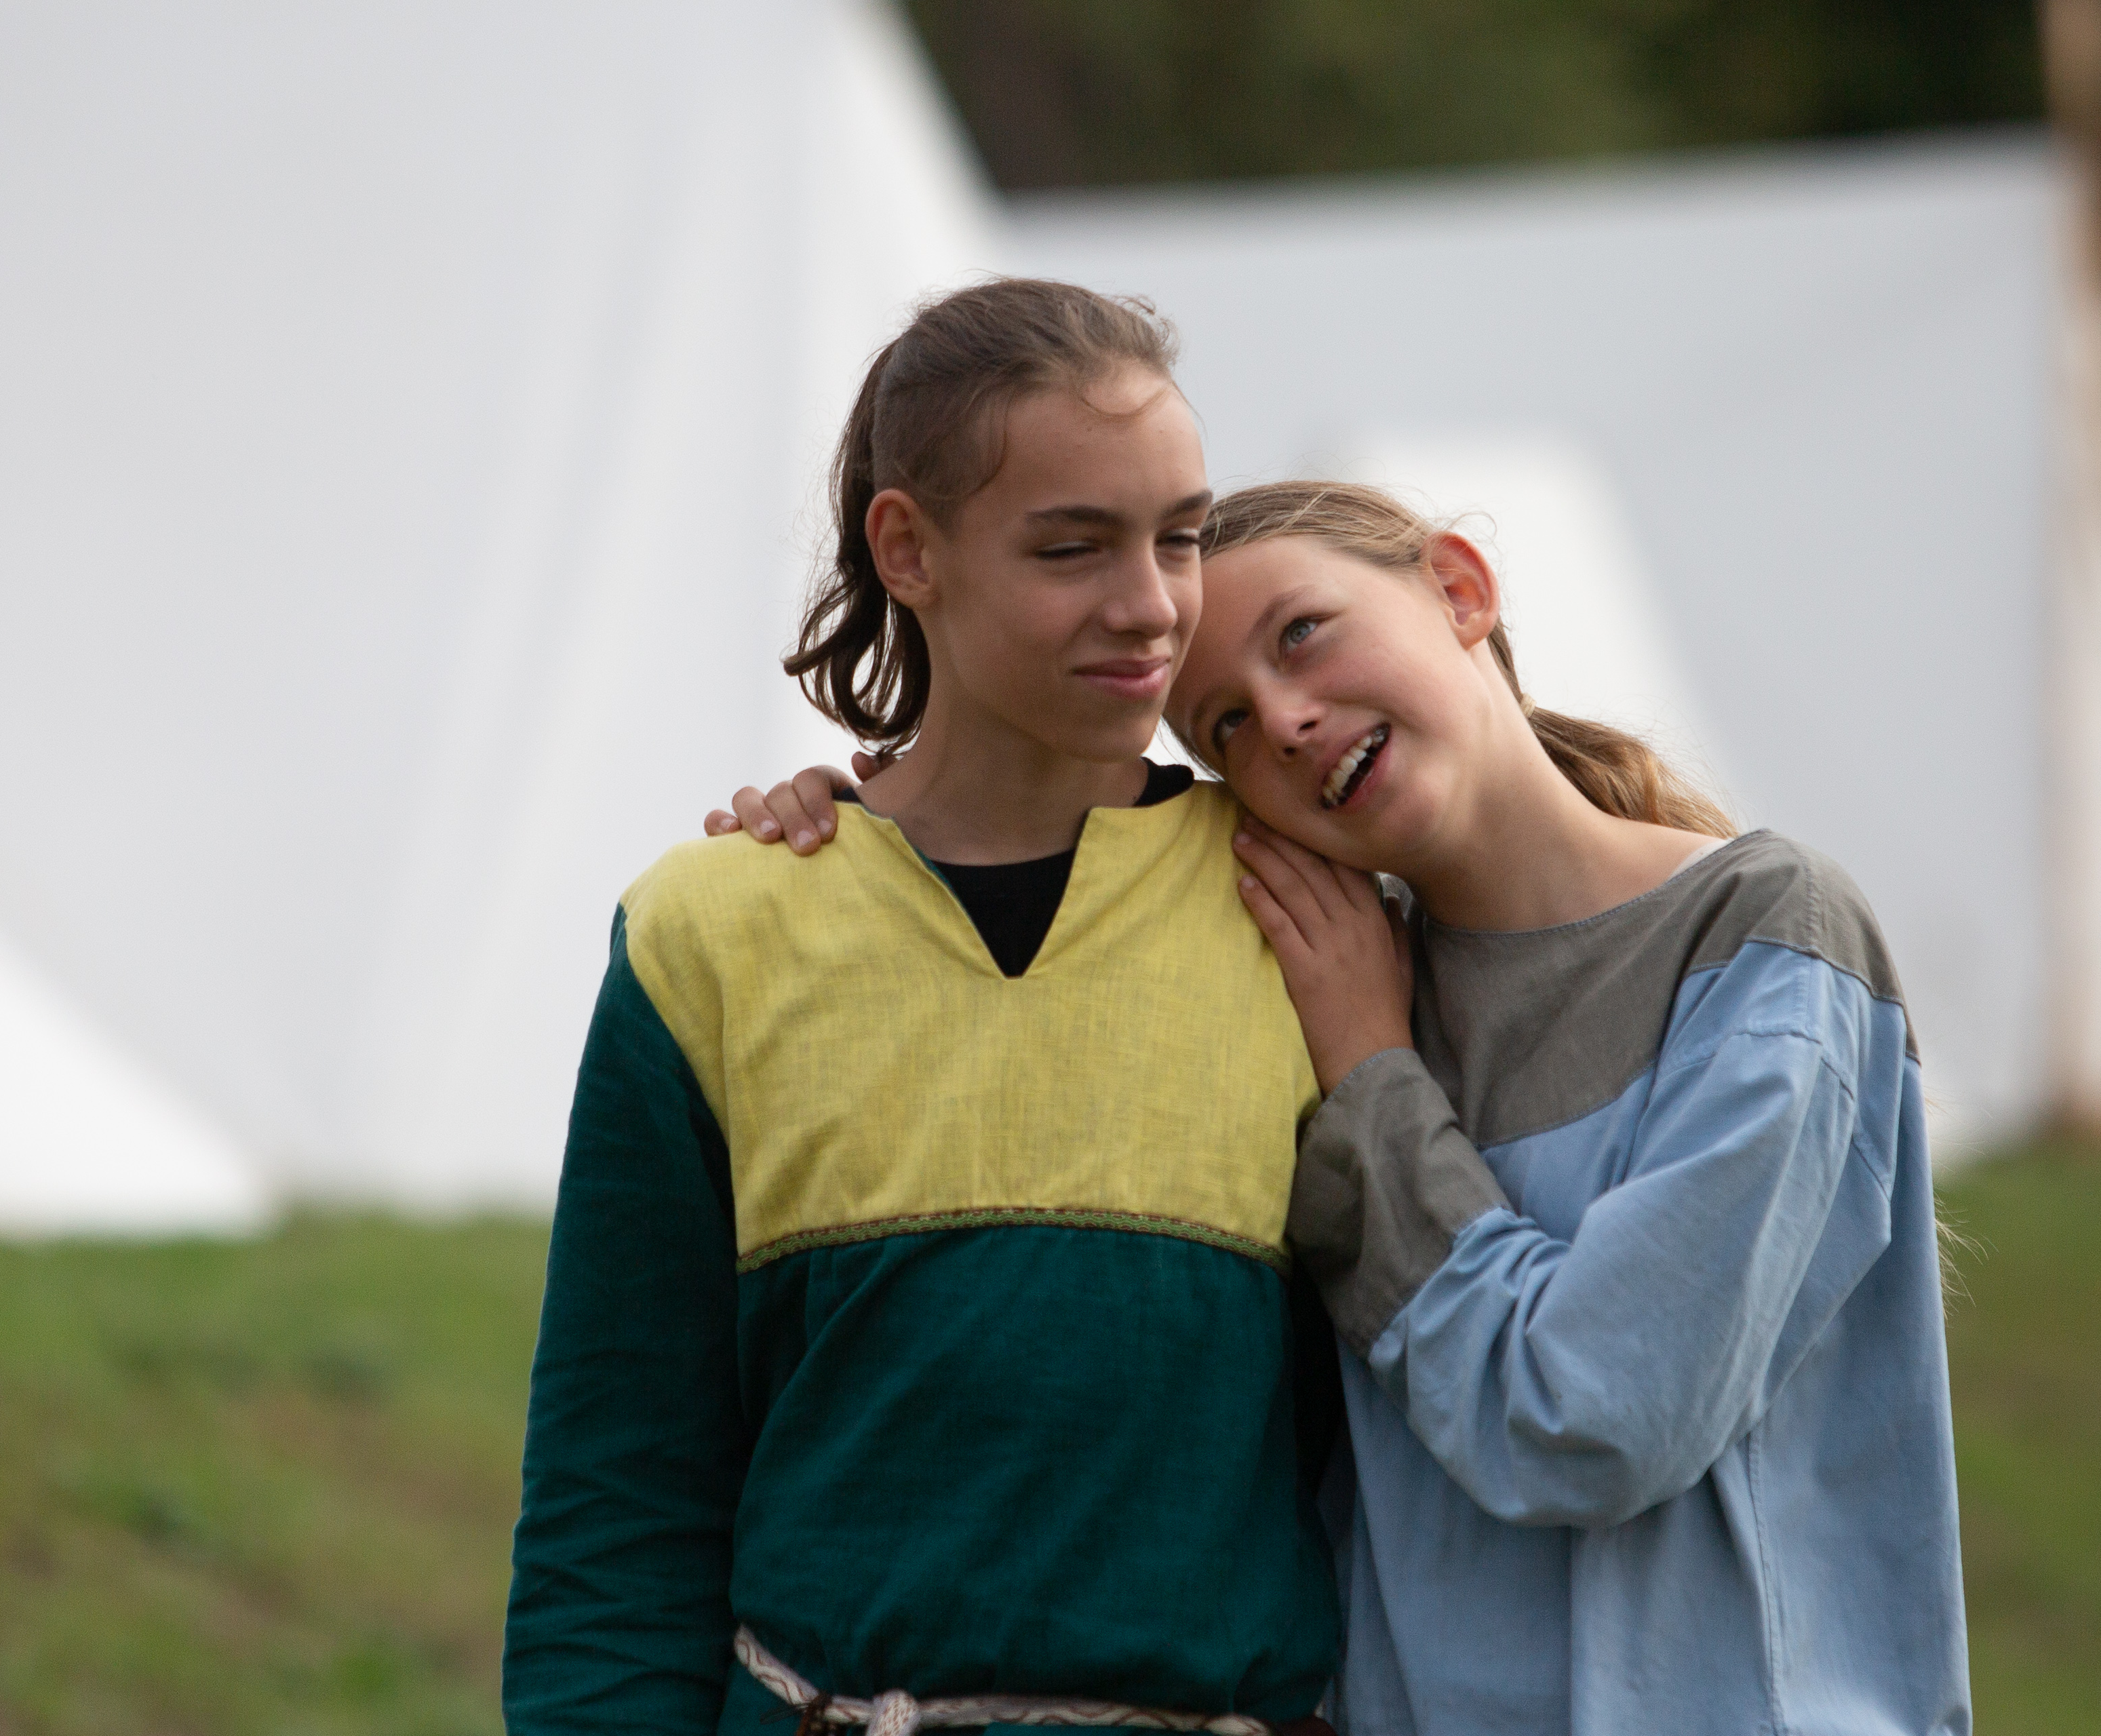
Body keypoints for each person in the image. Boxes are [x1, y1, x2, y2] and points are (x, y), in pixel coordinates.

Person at [728, 480, 1971, 1735]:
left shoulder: (1767, 937)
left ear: (1459, 590)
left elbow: (1597, 1414)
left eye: (1303, 635)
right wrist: (870, 844)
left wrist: (1376, 1076)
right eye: (1223, 726)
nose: (1284, 721)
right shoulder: (1300, 990)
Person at [504, 280, 1340, 1735]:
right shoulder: (712, 936)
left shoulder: (1316, 917)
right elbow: (616, 1508)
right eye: (1072, 547)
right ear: (909, 549)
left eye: (1181, 536)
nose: (1152, 605)